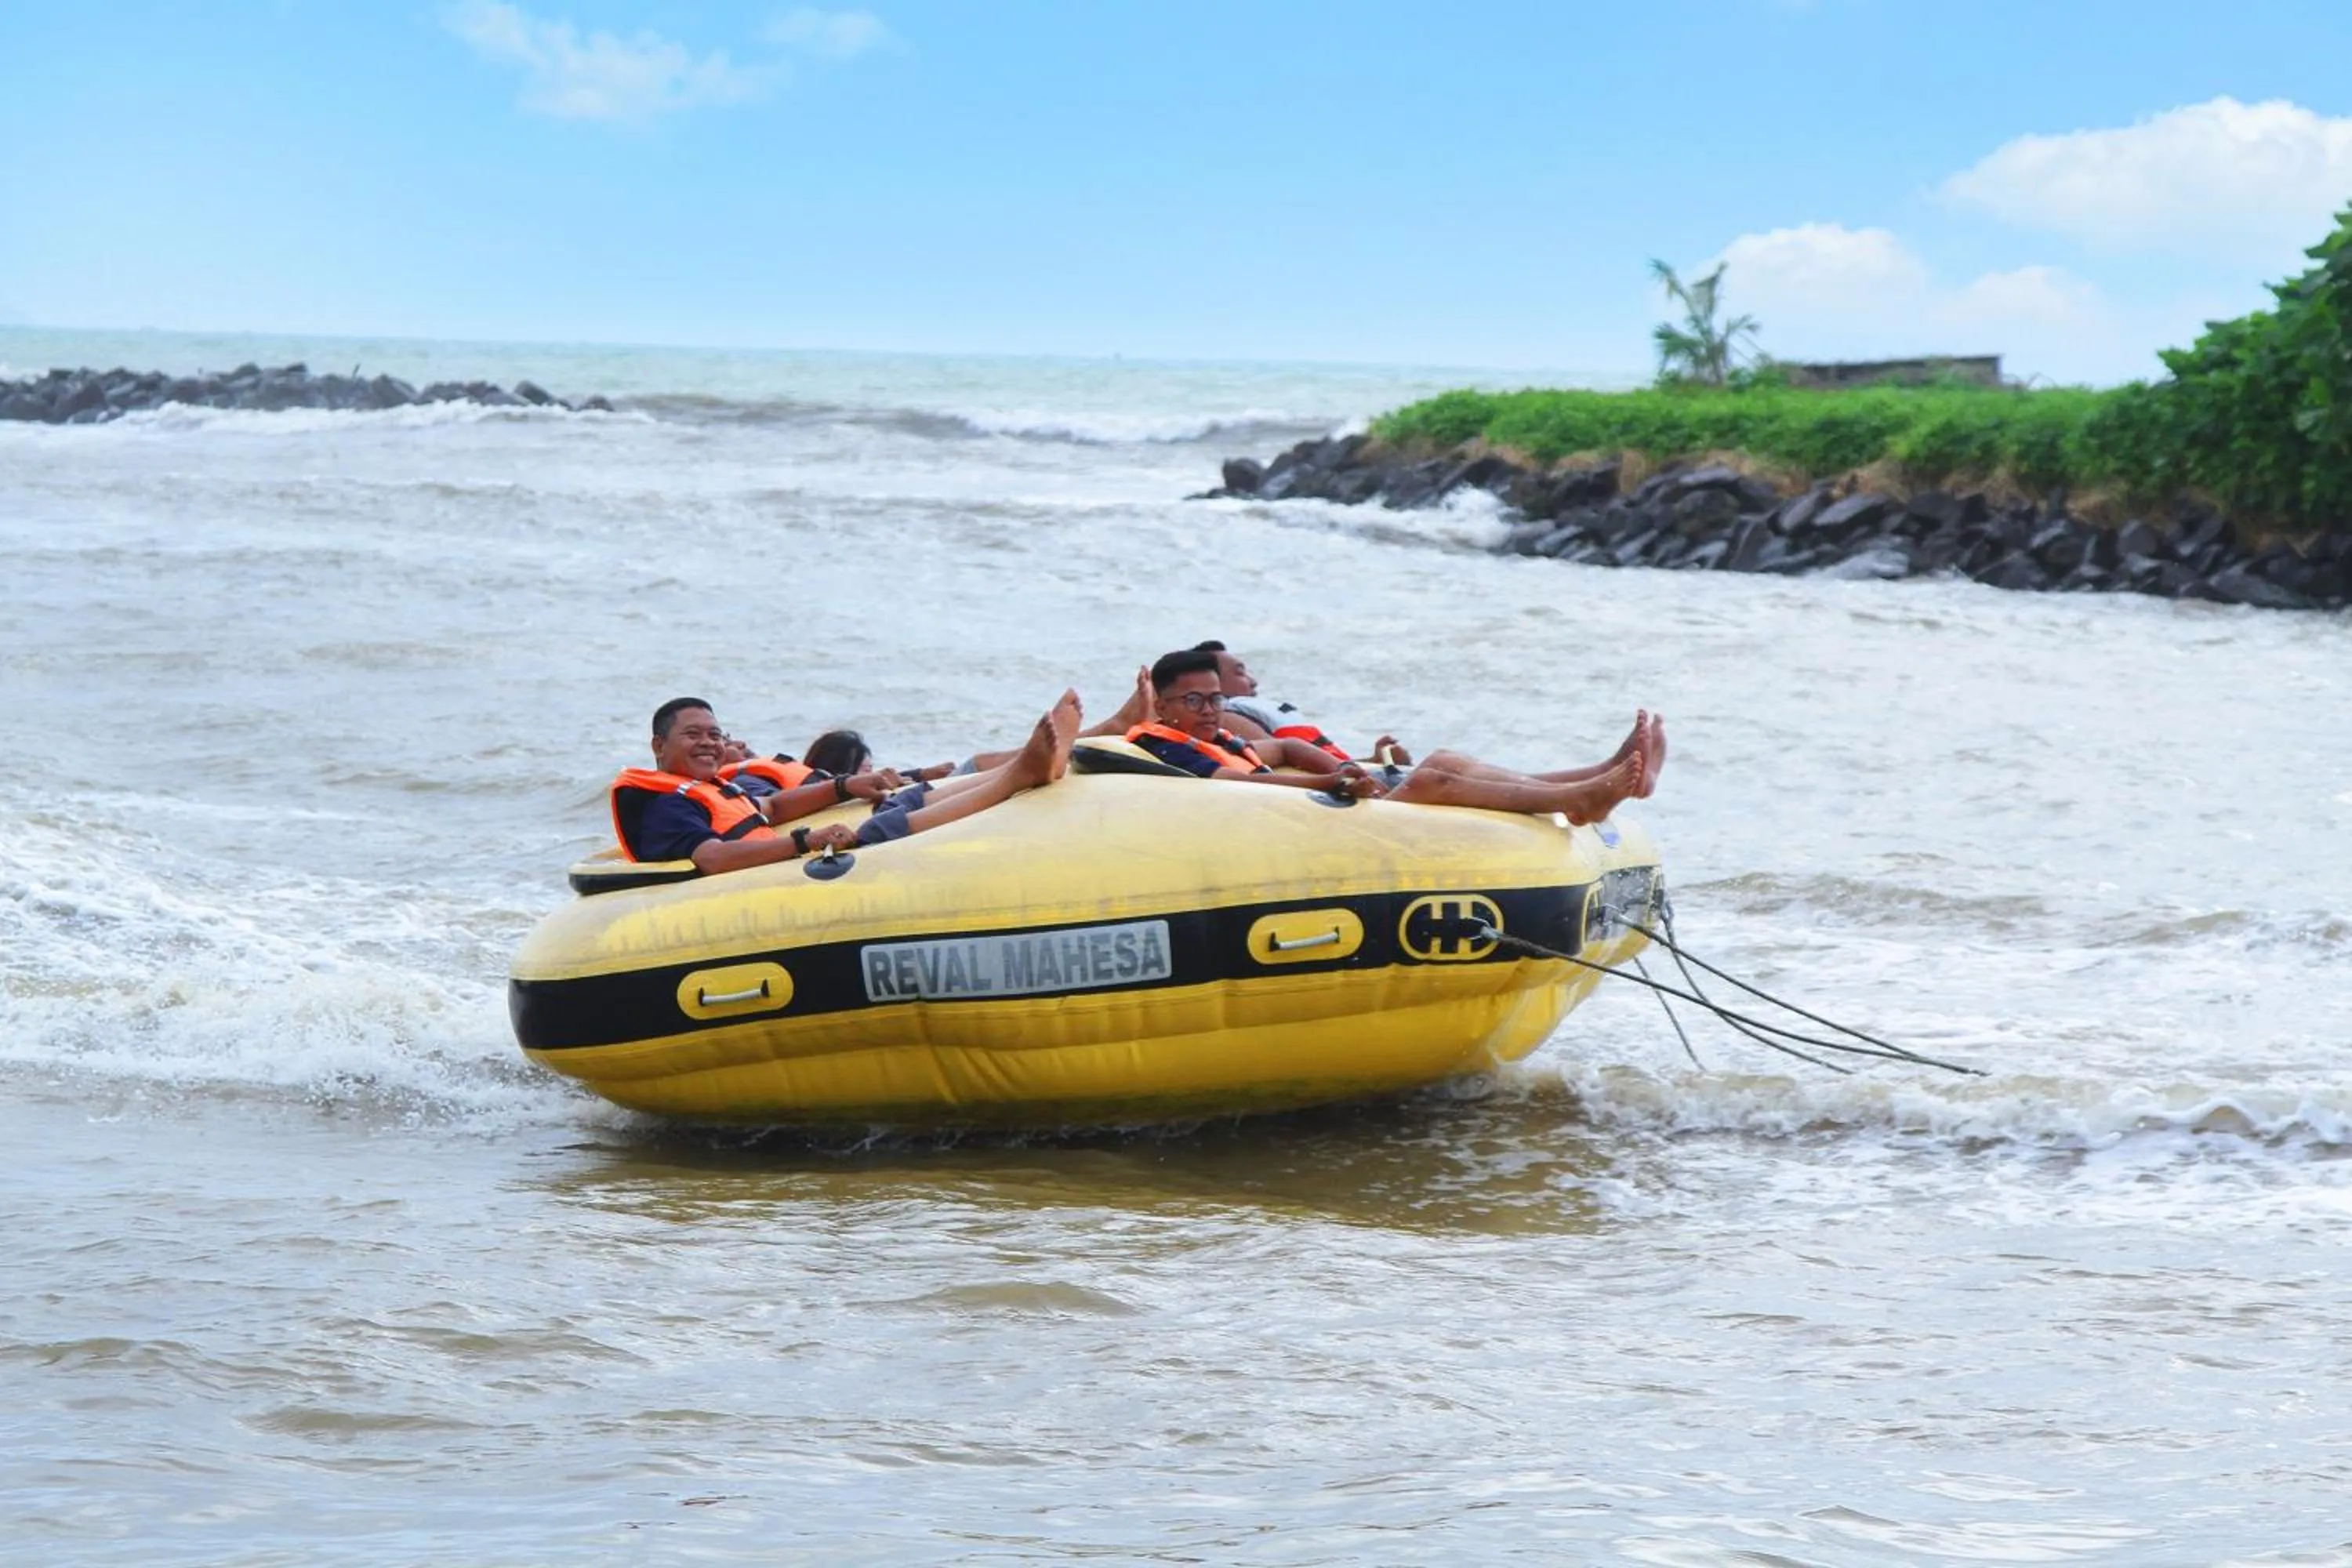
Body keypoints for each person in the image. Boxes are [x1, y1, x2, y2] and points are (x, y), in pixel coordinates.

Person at [1125, 649, 1650, 823]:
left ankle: (1597, 775)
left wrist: (1337, 768)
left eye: (1215, 699)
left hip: (1319, 810)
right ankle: (1576, 801)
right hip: (1300, 832)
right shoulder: (1162, 745)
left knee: (1444, 760)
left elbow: (1281, 748)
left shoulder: (1223, 739)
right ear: (1162, 706)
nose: (1209, 710)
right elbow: (1225, 784)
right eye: (1194, 701)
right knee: (1434, 780)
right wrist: (1333, 780)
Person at [611, 693, 1080, 873]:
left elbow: (769, 811)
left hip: (776, 854)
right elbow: (712, 857)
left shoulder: (711, 787)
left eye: (715, 734)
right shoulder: (665, 803)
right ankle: (1019, 774)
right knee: (882, 830)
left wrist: (841, 788)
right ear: (659, 746)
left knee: (906, 798)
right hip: (761, 875)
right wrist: (805, 842)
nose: (710, 744)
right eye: (693, 735)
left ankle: (1015, 768)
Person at [1194, 638, 1665, 800]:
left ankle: (1606, 773)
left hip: (1358, 772)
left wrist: (1367, 757)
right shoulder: (1234, 717)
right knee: (1446, 770)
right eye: (1239, 673)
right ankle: (1594, 785)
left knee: (1457, 765)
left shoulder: (1238, 716)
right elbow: (1267, 765)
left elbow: (1285, 755)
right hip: (1349, 785)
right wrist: (1345, 774)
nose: (1252, 680)